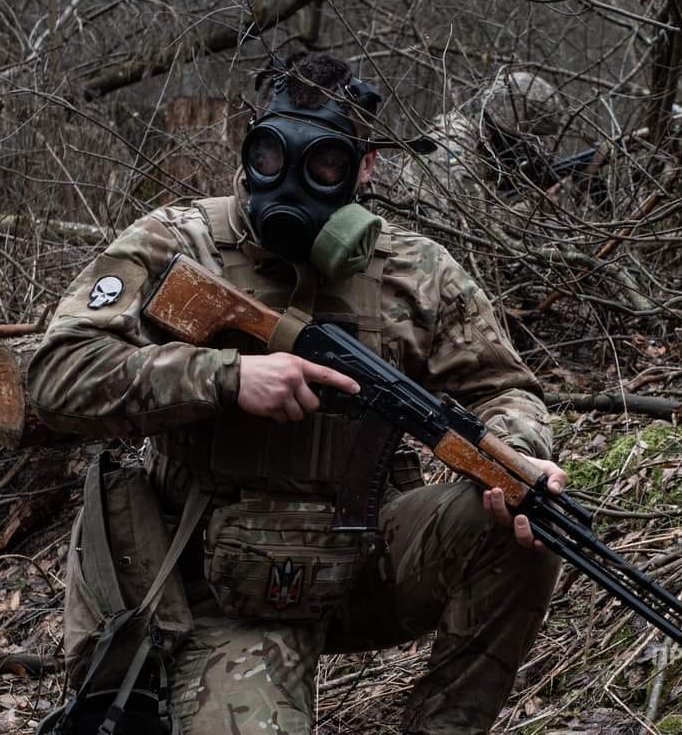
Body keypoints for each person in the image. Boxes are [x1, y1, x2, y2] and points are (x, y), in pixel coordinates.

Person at [28, 52, 567, 734]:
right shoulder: (179, 241)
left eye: (326, 165)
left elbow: (506, 391)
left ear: (365, 168)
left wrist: (517, 461)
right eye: (272, 153)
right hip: (218, 590)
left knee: (532, 525)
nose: (291, 180)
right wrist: (224, 378)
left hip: (366, 559)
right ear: (251, 148)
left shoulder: (415, 270)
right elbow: (57, 374)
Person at [393, 69, 564, 211]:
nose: (534, 149)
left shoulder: (479, 145)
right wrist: (535, 207)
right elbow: (473, 233)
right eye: (532, 138)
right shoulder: (452, 150)